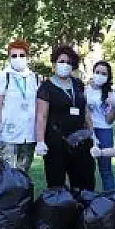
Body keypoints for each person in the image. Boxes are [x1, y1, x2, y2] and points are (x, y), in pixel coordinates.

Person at [35, 46, 96, 191]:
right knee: (56, 184)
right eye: (61, 61)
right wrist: (40, 141)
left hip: (80, 140)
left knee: (84, 183)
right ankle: (60, 212)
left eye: (69, 62)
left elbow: (85, 111)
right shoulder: (46, 88)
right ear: (55, 64)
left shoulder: (78, 85)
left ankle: (83, 211)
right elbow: (41, 116)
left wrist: (92, 133)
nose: (65, 65)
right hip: (56, 142)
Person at [0, 40, 39, 173]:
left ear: (28, 57)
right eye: (14, 56)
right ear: (9, 57)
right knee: (7, 174)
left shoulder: (34, 78)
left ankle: (23, 194)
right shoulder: (2, 77)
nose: (18, 58)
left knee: (23, 174)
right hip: (7, 134)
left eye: (22, 55)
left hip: (28, 135)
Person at [86, 60, 115, 191]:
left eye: (103, 73)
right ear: (93, 73)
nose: (100, 75)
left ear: (108, 76)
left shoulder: (110, 93)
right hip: (87, 130)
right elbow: (84, 112)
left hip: (105, 131)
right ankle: (87, 197)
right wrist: (90, 131)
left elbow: (109, 120)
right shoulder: (84, 90)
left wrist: (113, 106)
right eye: (97, 72)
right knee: (86, 168)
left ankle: (111, 199)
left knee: (105, 169)